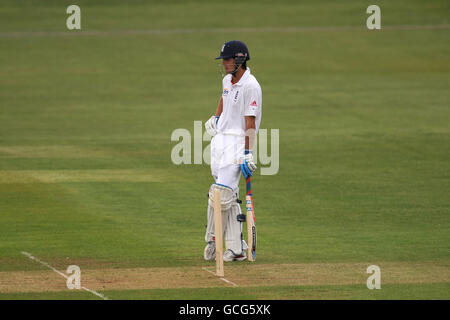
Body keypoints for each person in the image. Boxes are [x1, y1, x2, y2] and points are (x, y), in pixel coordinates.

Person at [204, 40, 262, 262]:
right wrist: (216, 116)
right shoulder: (227, 80)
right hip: (220, 140)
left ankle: (213, 241)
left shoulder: (251, 86)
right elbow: (224, 97)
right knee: (225, 195)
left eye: (227, 60)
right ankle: (237, 247)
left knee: (221, 194)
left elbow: (250, 122)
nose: (225, 64)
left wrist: (248, 153)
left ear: (239, 59)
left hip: (238, 141)